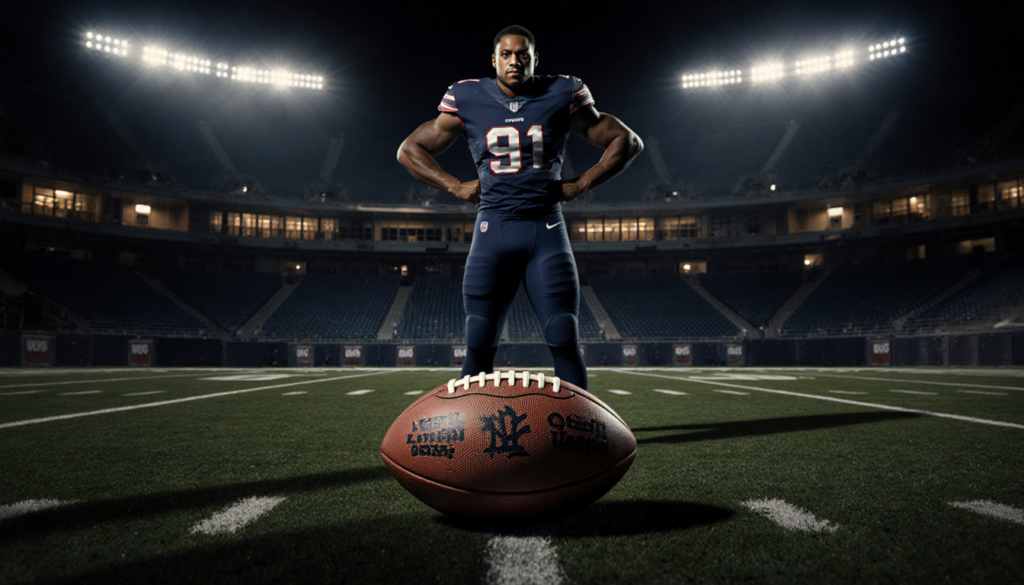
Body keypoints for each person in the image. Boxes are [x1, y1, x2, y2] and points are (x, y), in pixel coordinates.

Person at [397, 25, 643, 390]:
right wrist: (453, 185)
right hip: (491, 230)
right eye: (507, 54)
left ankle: (579, 432)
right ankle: (473, 435)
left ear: (535, 58)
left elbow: (628, 140)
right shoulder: (465, 96)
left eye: (523, 54)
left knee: (563, 336)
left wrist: (582, 182)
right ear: (494, 59)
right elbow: (408, 150)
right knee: (478, 340)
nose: (515, 61)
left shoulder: (562, 91)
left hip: (544, 229)